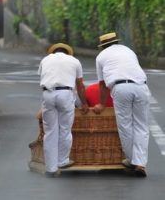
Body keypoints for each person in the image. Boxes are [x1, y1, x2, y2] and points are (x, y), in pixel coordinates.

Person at [95, 32, 151, 177]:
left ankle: (133, 160)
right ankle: (140, 163)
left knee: (125, 125)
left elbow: (102, 84)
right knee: (141, 126)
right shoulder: (129, 51)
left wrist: (101, 104)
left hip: (121, 88)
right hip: (141, 86)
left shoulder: (101, 56)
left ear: (102, 46)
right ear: (116, 41)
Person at [38, 42, 89, 177]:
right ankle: (62, 160)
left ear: (53, 52)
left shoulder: (45, 60)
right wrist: (84, 103)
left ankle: (51, 168)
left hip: (47, 94)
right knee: (65, 129)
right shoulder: (74, 61)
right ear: (68, 52)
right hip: (65, 94)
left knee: (50, 131)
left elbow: (45, 78)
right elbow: (80, 85)